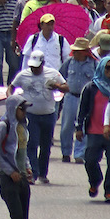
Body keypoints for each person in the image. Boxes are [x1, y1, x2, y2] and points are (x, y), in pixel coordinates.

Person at [9, 51, 68, 183]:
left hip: (48, 114)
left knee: (46, 145)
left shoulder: (52, 73)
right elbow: (11, 87)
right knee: (32, 143)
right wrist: (11, 100)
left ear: (43, 64)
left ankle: (43, 173)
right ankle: (33, 173)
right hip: (31, 114)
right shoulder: (23, 75)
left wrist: (57, 86)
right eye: (32, 67)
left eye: (37, 67)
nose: (34, 69)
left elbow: (66, 87)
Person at [76, 55, 110, 201]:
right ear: (101, 68)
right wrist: (79, 128)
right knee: (90, 160)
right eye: (107, 68)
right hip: (94, 131)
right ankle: (95, 181)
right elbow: (82, 109)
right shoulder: (91, 87)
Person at [59, 37, 97, 165]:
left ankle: (79, 154)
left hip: (86, 99)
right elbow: (60, 75)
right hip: (71, 96)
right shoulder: (69, 62)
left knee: (83, 127)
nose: (74, 53)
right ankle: (65, 151)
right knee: (66, 126)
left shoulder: (94, 64)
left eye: (77, 51)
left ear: (85, 52)